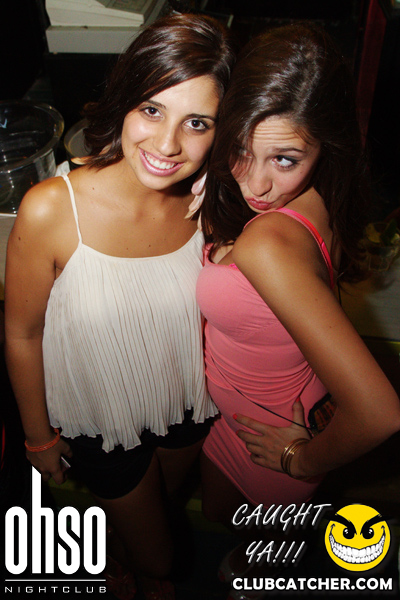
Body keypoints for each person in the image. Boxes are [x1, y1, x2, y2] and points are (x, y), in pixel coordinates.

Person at [4, 13, 235, 600]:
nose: (167, 144)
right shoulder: (50, 209)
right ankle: (132, 562)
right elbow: (23, 333)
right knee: (163, 557)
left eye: (197, 123)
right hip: (101, 422)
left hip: (187, 404)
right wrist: (37, 438)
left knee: (157, 515)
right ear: (125, 100)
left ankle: (121, 557)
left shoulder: (213, 205)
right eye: (152, 109)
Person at [196, 22, 400, 599]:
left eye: (284, 159)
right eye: (240, 149)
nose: (256, 184)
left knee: (260, 565)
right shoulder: (320, 193)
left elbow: (381, 413)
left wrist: (300, 458)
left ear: (323, 144)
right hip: (249, 418)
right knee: (226, 522)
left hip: (269, 444)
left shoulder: (268, 244)